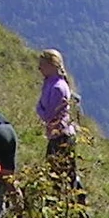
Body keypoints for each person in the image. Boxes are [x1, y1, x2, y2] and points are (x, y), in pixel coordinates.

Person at [36, 48, 80, 190]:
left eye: (42, 64)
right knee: (62, 173)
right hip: (57, 135)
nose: (39, 68)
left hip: (61, 136)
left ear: (51, 65)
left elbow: (49, 115)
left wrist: (39, 110)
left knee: (61, 174)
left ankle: (75, 203)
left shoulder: (57, 88)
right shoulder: (51, 83)